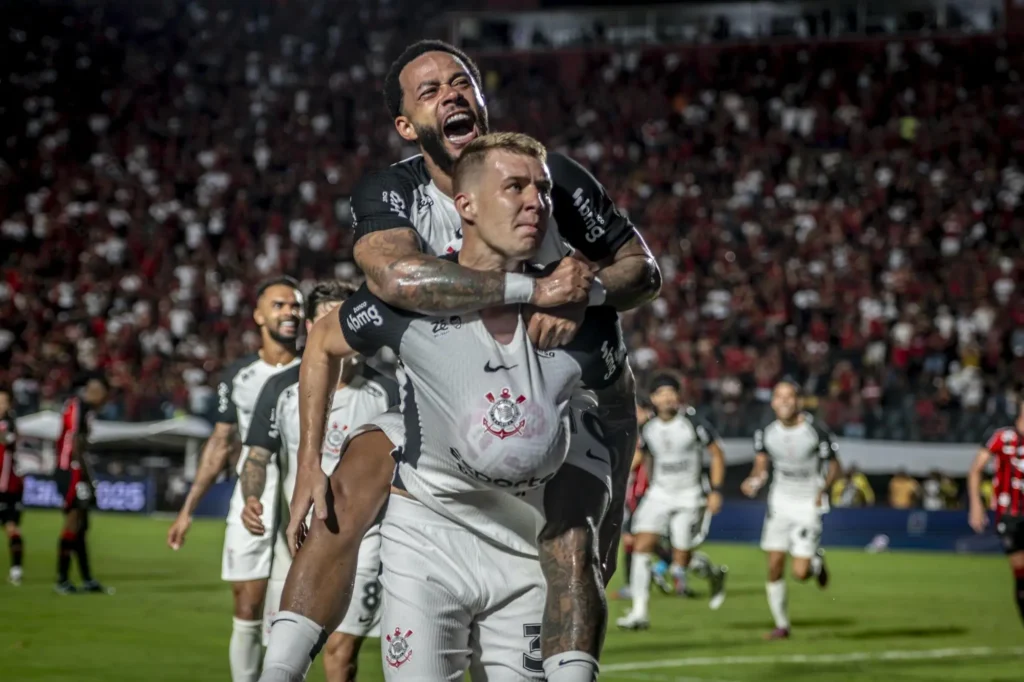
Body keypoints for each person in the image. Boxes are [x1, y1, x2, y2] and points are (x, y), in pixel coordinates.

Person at [269, 39, 660, 681]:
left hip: (550, 396)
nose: (451, 94)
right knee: (353, 477)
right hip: (438, 399)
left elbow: (642, 270)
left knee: (575, 534)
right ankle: (276, 670)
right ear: (407, 126)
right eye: (430, 91)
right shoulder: (393, 191)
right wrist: (536, 289)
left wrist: (584, 292)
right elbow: (394, 278)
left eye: (461, 82)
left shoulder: (550, 179)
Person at [241, 281, 399, 681]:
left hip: (365, 541)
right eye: (329, 318)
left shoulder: (388, 392)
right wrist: (251, 497)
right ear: (312, 327)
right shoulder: (280, 389)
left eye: (348, 318)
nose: (341, 327)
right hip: (294, 540)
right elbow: (257, 455)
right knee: (286, 653)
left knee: (340, 653)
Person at [166, 276, 303, 682]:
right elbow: (220, 443)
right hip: (251, 496)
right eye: (279, 305)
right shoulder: (238, 374)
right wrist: (187, 510)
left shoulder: (316, 367)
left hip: (300, 499)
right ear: (259, 316)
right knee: (246, 605)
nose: (289, 312)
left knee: (293, 611)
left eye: (295, 305)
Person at [617, 373, 727, 630]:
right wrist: (617, 476)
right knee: (642, 546)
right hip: (659, 494)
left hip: (689, 496)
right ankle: (639, 613)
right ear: (653, 399)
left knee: (681, 560)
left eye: (671, 393)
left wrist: (716, 491)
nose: (666, 398)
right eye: (661, 393)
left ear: (678, 396)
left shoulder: (693, 423)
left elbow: (717, 454)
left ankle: (713, 573)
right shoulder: (648, 427)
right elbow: (640, 455)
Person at [741, 380, 841, 640]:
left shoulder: (816, 431)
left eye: (789, 396)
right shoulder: (766, 432)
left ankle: (815, 563)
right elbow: (761, 466)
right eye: (779, 396)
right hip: (780, 503)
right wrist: (754, 481)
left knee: (800, 573)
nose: (784, 401)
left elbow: (834, 466)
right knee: (774, 565)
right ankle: (782, 626)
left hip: (808, 504)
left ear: (799, 401)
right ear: (773, 402)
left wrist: (824, 490)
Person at [968, 402, 1024, 626]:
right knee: (1021, 574)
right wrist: (976, 505)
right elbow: (975, 470)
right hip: (1011, 515)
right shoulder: (1002, 437)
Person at [53, 374, 110, 594]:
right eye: (102, 394)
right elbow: (76, 442)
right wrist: (85, 477)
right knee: (73, 521)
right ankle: (62, 580)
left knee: (82, 525)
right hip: (70, 470)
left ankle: (87, 579)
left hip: (74, 469)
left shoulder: (82, 408)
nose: (104, 399)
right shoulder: (79, 407)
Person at [0, 388, 23, 586]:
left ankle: (16, 570)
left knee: (11, 527)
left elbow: (6, 438)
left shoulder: (11, 424)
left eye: (2, 402)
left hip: (8, 486)